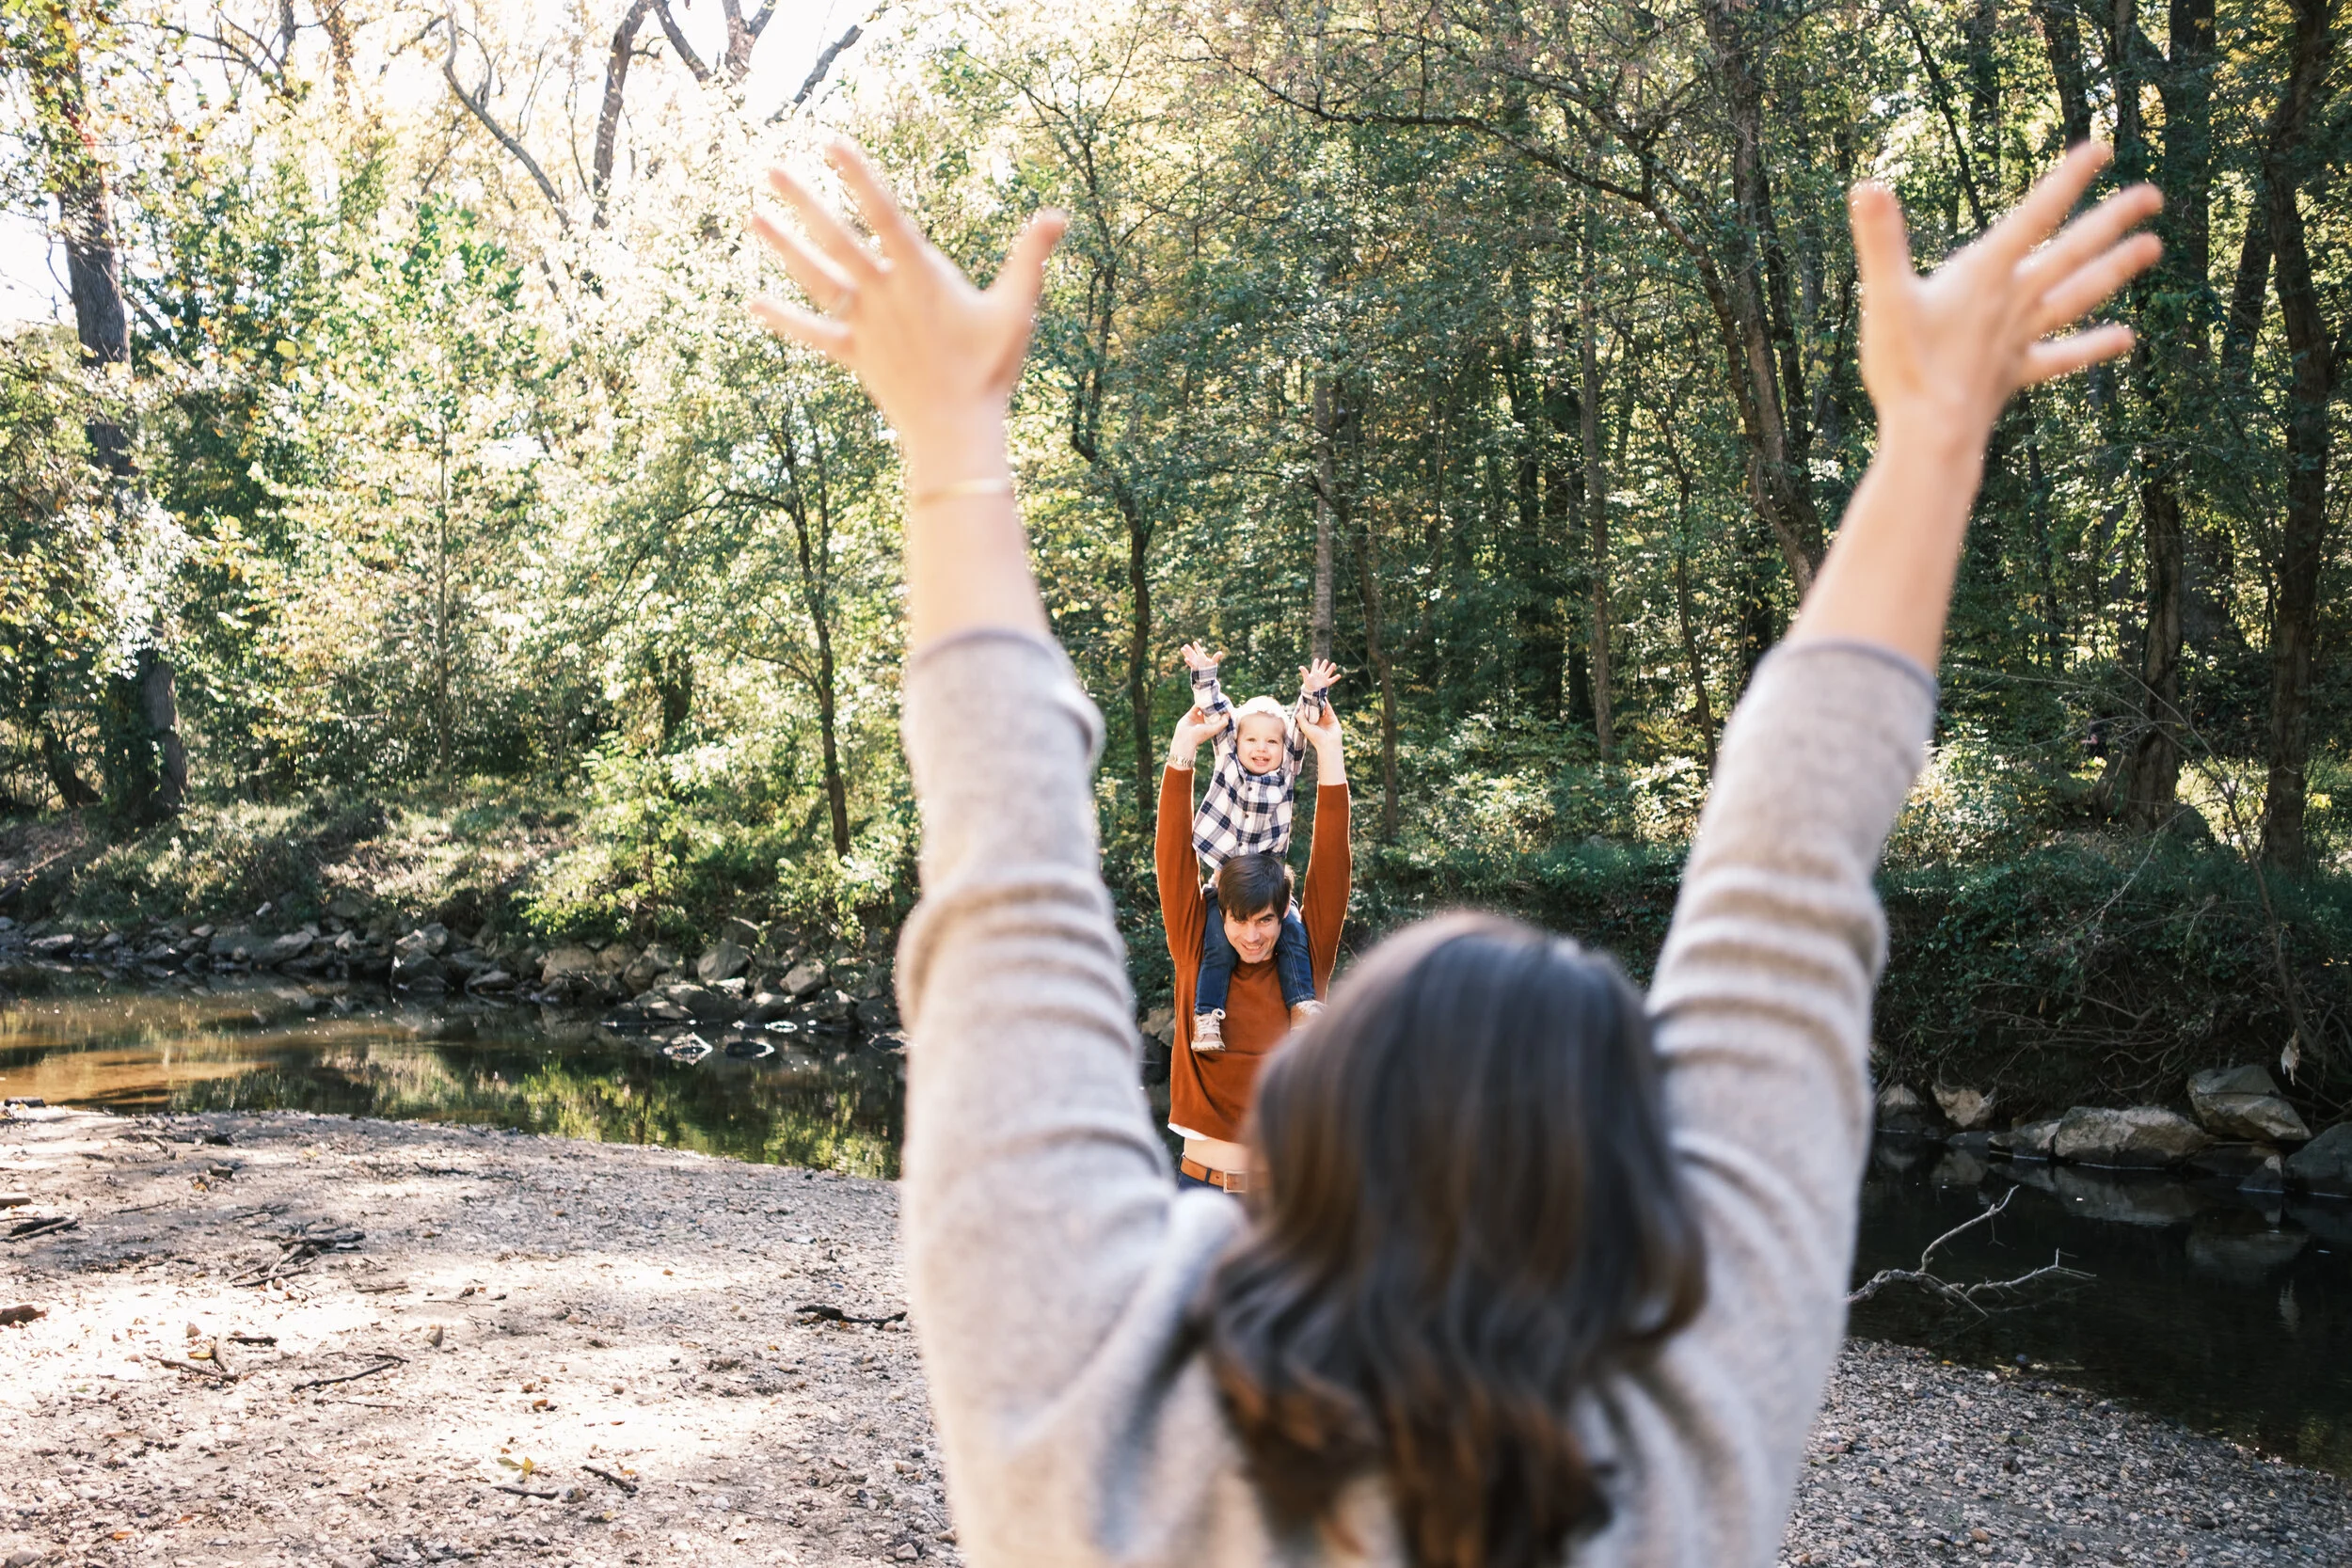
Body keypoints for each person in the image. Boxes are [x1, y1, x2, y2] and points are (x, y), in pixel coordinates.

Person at [752, 135, 2158, 1568]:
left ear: (1311, 1121)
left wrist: (947, 436)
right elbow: (1790, 885)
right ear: (1634, 1212)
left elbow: (1006, 885)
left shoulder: (1101, 1427)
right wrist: (1933, 433)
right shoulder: (1674, 1470)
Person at [1180, 641, 1342, 1052]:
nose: (1261, 748)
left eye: (1271, 742)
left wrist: (1314, 693)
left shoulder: (1287, 765)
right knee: (1217, 942)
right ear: (1237, 743)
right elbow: (1216, 713)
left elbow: (1305, 726)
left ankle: (1302, 1006)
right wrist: (1203, 675)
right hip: (1224, 879)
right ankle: (1207, 1018)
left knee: (1291, 932)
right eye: (1252, 740)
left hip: (1268, 882)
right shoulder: (1227, 758)